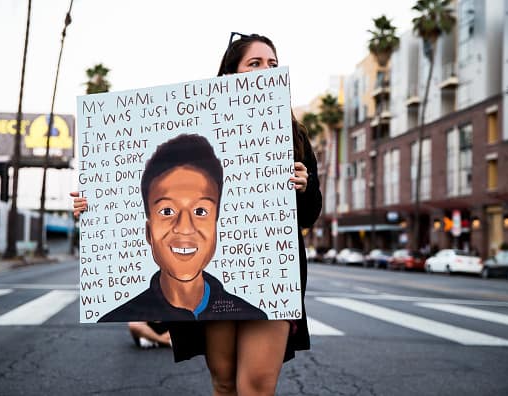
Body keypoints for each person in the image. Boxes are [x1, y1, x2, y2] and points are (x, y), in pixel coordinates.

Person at [73, 32, 322, 395]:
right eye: (254, 63)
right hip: (214, 274)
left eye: (272, 63)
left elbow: (310, 215)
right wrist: (96, 206)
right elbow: (148, 188)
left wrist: (305, 186)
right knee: (223, 381)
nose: (266, 70)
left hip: (270, 276)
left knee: (255, 386)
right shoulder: (198, 125)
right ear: (229, 75)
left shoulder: (292, 133)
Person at [97, 134, 266, 322]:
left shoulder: (252, 316)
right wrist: (90, 209)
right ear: (148, 232)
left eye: (200, 211)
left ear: (217, 225)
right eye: (167, 211)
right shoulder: (119, 316)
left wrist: (301, 187)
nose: (185, 228)